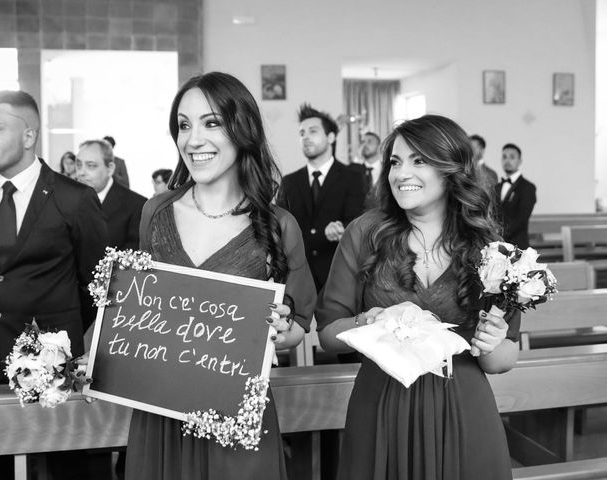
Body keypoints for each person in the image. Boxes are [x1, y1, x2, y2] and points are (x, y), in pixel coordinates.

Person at [125, 71, 316, 480]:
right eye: (183, 124)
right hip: (161, 413)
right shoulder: (155, 213)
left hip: (236, 416)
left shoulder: (279, 225)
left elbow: (299, 325)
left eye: (211, 123)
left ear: (242, 129)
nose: (194, 139)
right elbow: (138, 306)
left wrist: (283, 332)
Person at [316, 114, 520, 480]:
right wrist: (370, 319)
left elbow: (502, 360)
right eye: (395, 162)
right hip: (381, 405)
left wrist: (493, 342)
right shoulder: (364, 234)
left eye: (419, 160)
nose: (400, 173)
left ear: (451, 168)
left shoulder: (489, 249)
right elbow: (328, 333)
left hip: (462, 407)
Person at [0, 90, 108, 479]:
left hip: (53, 363)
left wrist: (63, 337)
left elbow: (98, 285)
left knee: (65, 465)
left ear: (29, 136)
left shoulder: (74, 199)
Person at [277, 103, 366, 293]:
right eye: (301, 133)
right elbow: (279, 231)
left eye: (313, 131)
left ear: (331, 137)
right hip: (297, 279)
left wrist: (342, 229)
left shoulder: (353, 178)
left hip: (338, 277)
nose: (305, 137)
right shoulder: (289, 182)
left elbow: (358, 224)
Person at [76, 139, 147, 254]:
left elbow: (133, 257)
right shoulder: (66, 201)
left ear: (110, 169)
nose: (81, 172)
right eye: (79, 165)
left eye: (90, 166)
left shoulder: (137, 205)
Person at [495, 142, 537, 249]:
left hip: (518, 246)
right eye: (504, 157)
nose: (507, 161)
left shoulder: (528, 187)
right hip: (496, 246)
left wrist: (498, 235)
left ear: (520, 161)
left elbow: (521, 219)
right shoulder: (497, 187)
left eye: (512, 157)